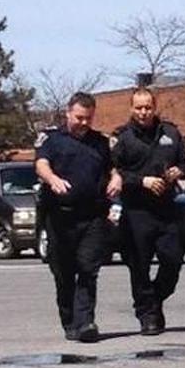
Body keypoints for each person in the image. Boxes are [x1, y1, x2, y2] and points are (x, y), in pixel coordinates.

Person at [35, 92, 120, 342]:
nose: (84, 123)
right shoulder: (52, 139)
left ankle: (86, 323)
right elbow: (41, 163)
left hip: (92, 215)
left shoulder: (101, 142)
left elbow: (114, 167)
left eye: (88, 118)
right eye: (79, 117)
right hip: (60, 216)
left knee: (88, 268)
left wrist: (116, 178)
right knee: (63, 271)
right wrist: (52, 179)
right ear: (68, 113)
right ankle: (69, 320)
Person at [110, 87, 185, 335]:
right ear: (131, 108)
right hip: (137, 211)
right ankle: (148, 315)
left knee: (173, 260)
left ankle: (154, 300)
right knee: (139, 266)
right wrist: (142, 181)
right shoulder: (122, 138)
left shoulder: (170, 132)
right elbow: (114, 171)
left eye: (148, 107)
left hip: (167, 208)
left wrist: (179, 171)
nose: (144, 112)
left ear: (154, 107)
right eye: (139, 108)